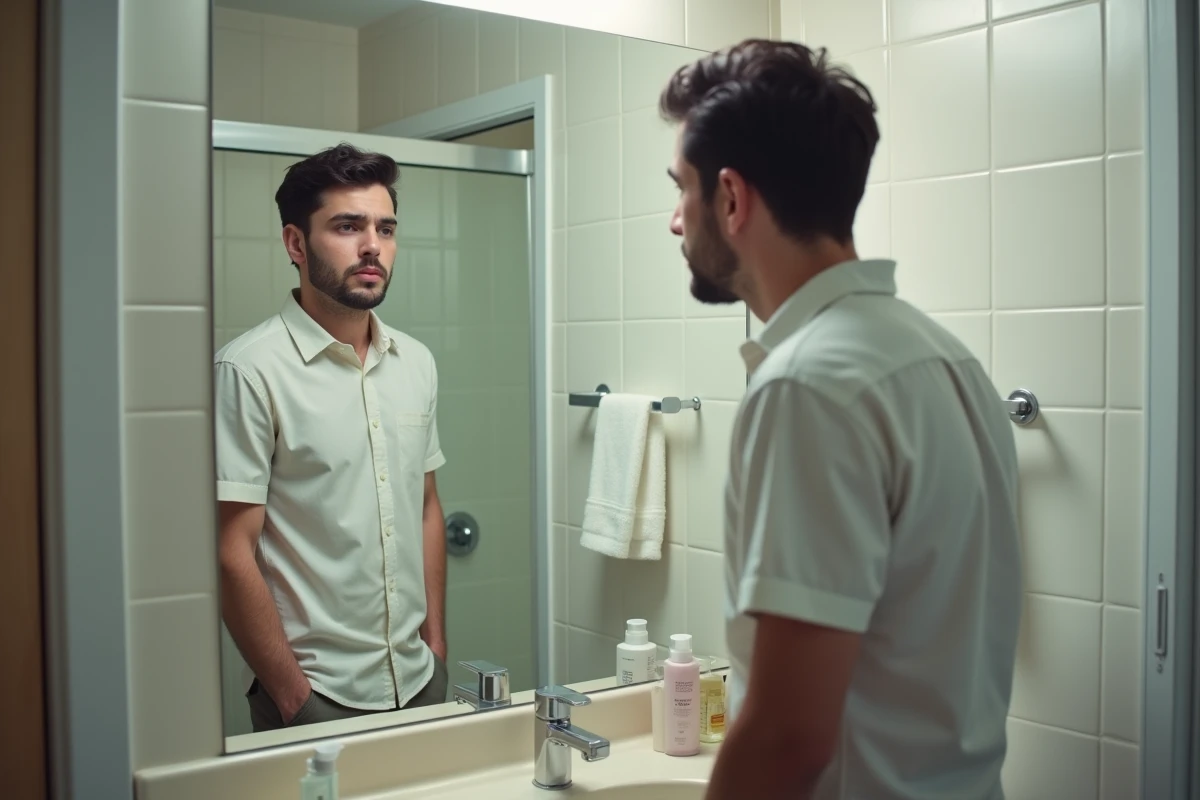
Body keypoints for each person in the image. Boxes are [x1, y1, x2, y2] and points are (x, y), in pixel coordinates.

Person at [660, 41, 1022, 799]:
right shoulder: (945, 357)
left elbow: (790, 738)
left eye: (682, 189)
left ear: (731, 199)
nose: (674, 221)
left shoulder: (807, 386)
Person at [215, 143, 449, 732]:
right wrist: (294, 697)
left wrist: (436, 649)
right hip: (316, 696)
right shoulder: (249, 370)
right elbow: (228, 548)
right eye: (348, 226)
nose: (373, 245)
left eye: (385, 227)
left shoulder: (416, 362)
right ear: (296, 244)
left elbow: (424, 505)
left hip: (420, 681)